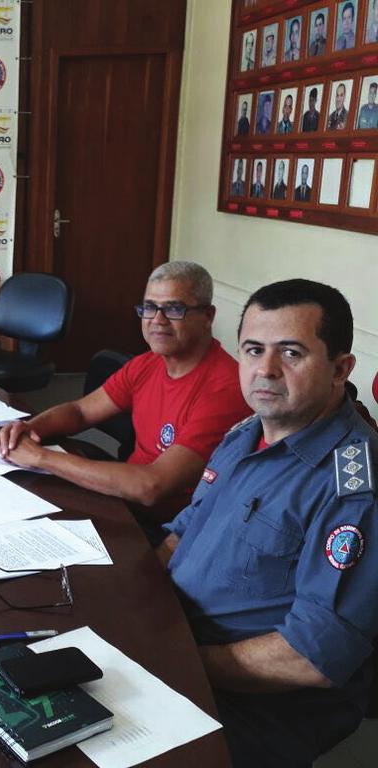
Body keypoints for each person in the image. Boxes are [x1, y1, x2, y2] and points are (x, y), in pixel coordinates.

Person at [158, 279, 378, 768]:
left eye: (292, 353)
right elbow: (181, 533)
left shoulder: (353, 486)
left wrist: (176, 660)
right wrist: (128, 603)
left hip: (256, 706)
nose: (265, 370)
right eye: (253, 350)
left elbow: (312, 656)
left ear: (340, 368)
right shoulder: (246, 432)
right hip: (178, 646)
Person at [0, 262, 251, 533]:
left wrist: (40, 458)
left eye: (174, 309)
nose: (157, 320)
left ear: (208, 316)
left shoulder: (225, 389)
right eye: (149, 307)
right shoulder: (147, 363)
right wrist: (29, 429)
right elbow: (80, 412)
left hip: (166, 531)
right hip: (122, 501)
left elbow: (152, 486)